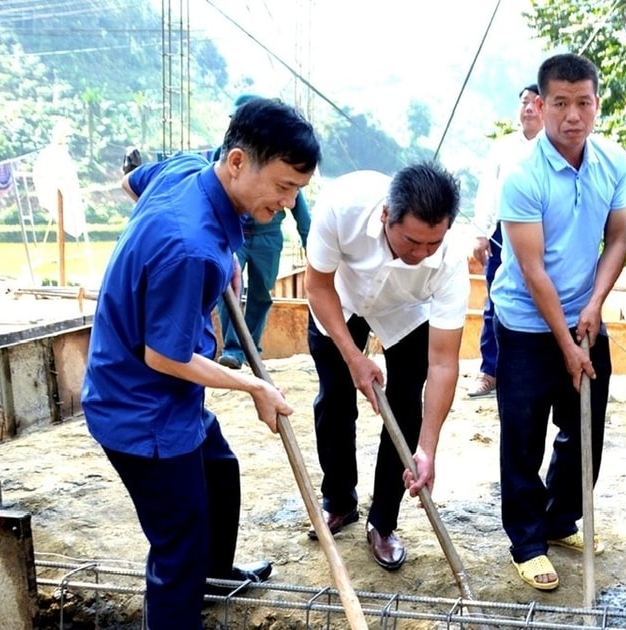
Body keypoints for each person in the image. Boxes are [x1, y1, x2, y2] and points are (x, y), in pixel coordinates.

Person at [82, 97, 319, 629]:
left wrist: (221, 263)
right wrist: (253, 387)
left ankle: (212, 573)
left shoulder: (189, 167)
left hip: (166, 395)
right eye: (281, 187)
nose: (286, 202)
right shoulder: (189, 247)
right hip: (141, 409)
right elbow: (164, 356)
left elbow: (132, 185)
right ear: (237, 161)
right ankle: (182, 598)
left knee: (219, 469)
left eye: (296, 192)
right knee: (178, 544)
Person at [493, 52, 626, 591]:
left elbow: (617, 238)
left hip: (585, 317)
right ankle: (526, 541)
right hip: (528, 322)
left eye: (583, 102)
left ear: (596, 104)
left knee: (585, 427)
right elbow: (532, 270)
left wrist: (594, 306)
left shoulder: (613, 162)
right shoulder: (522, 175)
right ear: (540, 105)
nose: (572, 115)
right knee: (523, 434)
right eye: (560, 103)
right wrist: (565, 341)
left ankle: (560, 519)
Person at [303, 163, 468, 571]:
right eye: (411, 241)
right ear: (385, 217)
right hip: (338, 301)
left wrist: (427, 448)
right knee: (336, 401)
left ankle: (383, 522)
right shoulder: (343, 204)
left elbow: (444, 362)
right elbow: (317, 284)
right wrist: (353, 356)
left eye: (432, 243)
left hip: (406, 312)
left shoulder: (449, 259)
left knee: (405, 406)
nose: (420, 253)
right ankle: (340, 501)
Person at [214, 94, 312, 370]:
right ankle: (233, 349)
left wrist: (309, 241)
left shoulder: (276, 164)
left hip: (268, 235)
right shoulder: (222, 157)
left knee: (261, 293)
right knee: (231, 289)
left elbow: (297, 205)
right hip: (236, 232)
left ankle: (251, 348)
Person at [467, 84, 543, 398]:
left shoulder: (553, 146)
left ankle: (535, 373)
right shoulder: (503, 148)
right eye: (522, 102)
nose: (527, 108)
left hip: (543, 233)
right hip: (503, 233)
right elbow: (487, 191)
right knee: (496, 301)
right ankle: (490, 371)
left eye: (532, 103)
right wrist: (481, 232)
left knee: (543, 300)